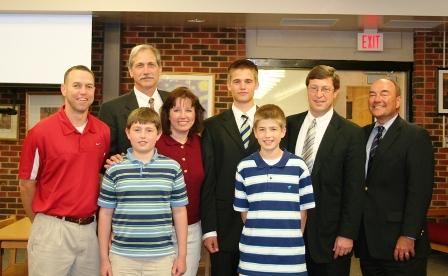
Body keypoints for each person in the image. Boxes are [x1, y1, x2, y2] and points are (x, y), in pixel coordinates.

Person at [18, 65, 110, 276]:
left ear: (94, 92)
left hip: (89, 230)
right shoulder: (40, 132)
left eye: (89, 86)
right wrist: (40, 222)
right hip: (52, 228)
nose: (83, 91)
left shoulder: (103, 131)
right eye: (76, 85)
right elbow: (26, 184)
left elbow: (95, 174)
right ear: (64, 89)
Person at [283, 65, 365, 276]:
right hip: (289, 232)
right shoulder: (288, 125)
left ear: (335, 92)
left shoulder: (351, 134)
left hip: (331, 237)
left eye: (325, 89)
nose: (319, 95)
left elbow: (354, 189)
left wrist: (347, 234)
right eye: (314, 88)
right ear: (307, 90)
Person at [355, 78, 434, 276]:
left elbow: (420, 191)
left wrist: (409, 235)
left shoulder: (415, 136)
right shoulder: (361, 135)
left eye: (384, 93)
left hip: (400, 243)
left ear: (398, 101)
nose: (376, 99)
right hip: (368, 244)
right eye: (372, 94)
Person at [98, 107, 188, 276]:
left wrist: (182, 256)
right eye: (137, 130)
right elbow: (105, 215)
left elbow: (180, 212)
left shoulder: (172, 168)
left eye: (149, 130)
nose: (143, 135)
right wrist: (104, 259)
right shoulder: (114, 170)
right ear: (127, 133)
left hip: (161, 257)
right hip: (122, 257)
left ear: (159, 134)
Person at [234, 104, 315, 275]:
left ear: (283, 131)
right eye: (262, 129)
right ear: (255, 132)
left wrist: (289, 242)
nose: (267, 135)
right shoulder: (244, 167)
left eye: (273, 129)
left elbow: (303, 213)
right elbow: (244, 213)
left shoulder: (299, 166)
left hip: (291, 259)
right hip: (253, 258)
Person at [201, 59, 260, 275]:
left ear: (256, 84)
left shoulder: (272, 123)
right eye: (237, 81)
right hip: (223, 227)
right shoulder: (212, 126)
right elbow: (208, 181)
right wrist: (209, 230)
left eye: (248, 81)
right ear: (228, 85)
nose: (243, 86)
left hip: (262, 223)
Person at [157, 86, 206, 276]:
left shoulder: (202, 144)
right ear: (167, 114)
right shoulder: (155, 145)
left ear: (196, 113)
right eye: (176, 110)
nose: (182, 115)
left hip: (193, 229)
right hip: (159, 229)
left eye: (188, 109)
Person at [99, 44, 169, 156]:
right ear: (130, 71)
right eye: (140, 65)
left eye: (151, 65)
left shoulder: (174, 102)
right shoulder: (111, 109)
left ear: (160, 69)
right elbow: (105, 154)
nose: (146, 71)